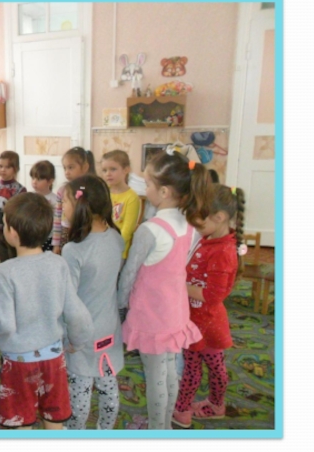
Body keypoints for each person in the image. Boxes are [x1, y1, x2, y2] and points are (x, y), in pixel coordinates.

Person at [117, 150, 210, 429]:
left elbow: (129, 274)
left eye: (148, 184)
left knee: (156, 377)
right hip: (175, 311)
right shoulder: (190, 225)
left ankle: (157, 431)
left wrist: (120, 306)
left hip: (152, 316)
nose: (145, 189)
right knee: (169, 370)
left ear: (165, 191)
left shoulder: (150, 230)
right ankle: (165, 425)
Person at [0, 193, 93, 429]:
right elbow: (76, 313)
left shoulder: (4, 272)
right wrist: (77, 342)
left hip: (18, 362)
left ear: (12, 233)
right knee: (54, 418)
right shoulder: (58, 264)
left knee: (21, 422)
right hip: (53, 357)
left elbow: (4, 325)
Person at [172, 186, 246, 428]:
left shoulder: (223, 251)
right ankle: (197, 406)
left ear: (220, 217)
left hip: (208, 323)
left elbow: (212, 295)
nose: (195, 225)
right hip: (196, 319)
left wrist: (179, 285)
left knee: (208, 368)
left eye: (199, 220)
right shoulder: (210, 240)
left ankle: (198, 407)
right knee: (201, 367)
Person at [60, 175, 125, 430]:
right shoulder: (116, 237)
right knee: (108, 385)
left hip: (83, 332)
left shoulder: (74, 250)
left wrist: (68, 337)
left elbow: (69, 301)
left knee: (79, 393)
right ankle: (104, 433)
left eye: (65, 201)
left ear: (80, 204)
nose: (62, 207)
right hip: (109, 326)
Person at [53, 147, 95, 255]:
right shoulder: (62, 190)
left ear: (85, 167)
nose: (67, 172)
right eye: (65, 168)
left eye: (71, 167)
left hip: (85, 233)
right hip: (65, 233)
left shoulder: (90, 190)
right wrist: (56, 244)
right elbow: (57, 217)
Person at [100, 150, 142, 260]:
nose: (108, 174)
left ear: (126, 170)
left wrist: (112, 247)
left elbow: (127, 231)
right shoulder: (103, 193)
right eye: (104, 170)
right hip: (100, 247)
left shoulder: (132, 197)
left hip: (118, 252)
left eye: (113, 169)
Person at [29, 160, 57, 251]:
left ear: (50, 181)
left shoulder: (55, 200)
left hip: (48, 239)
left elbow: (57, 223)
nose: (34, 182)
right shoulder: (29, 197)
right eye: (33, 178)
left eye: (39, 179)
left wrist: (56, 243)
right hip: (31, 237)